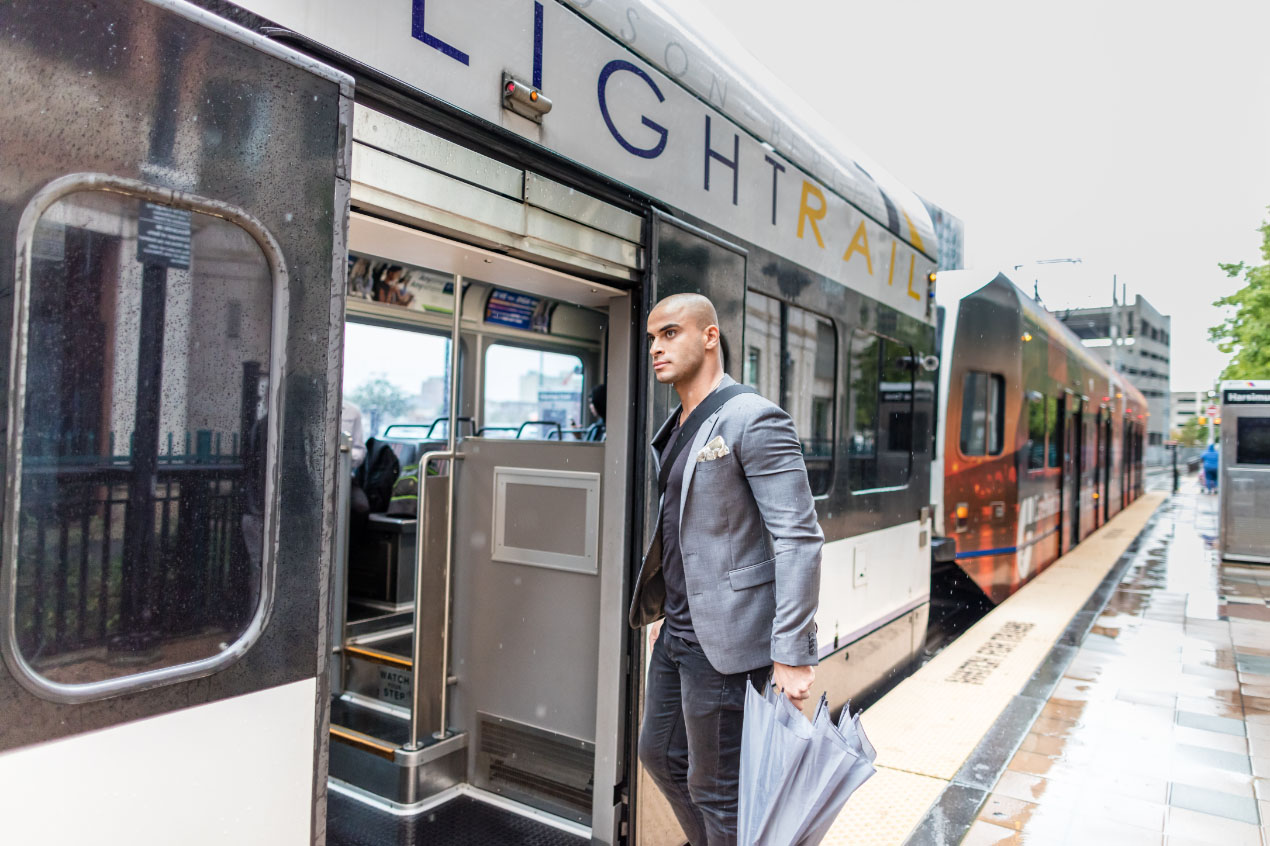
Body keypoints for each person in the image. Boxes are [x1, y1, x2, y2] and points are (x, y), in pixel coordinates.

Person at [629, 293, 823, 845]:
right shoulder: (678, 423)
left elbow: (799, 537)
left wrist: (791, 651)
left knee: (717, 786)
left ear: (710, 336)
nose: (656, 348)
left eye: (670, 334)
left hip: (730, 639)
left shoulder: (753, 418)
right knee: (659, 754)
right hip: (680, 633)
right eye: (652, 338)